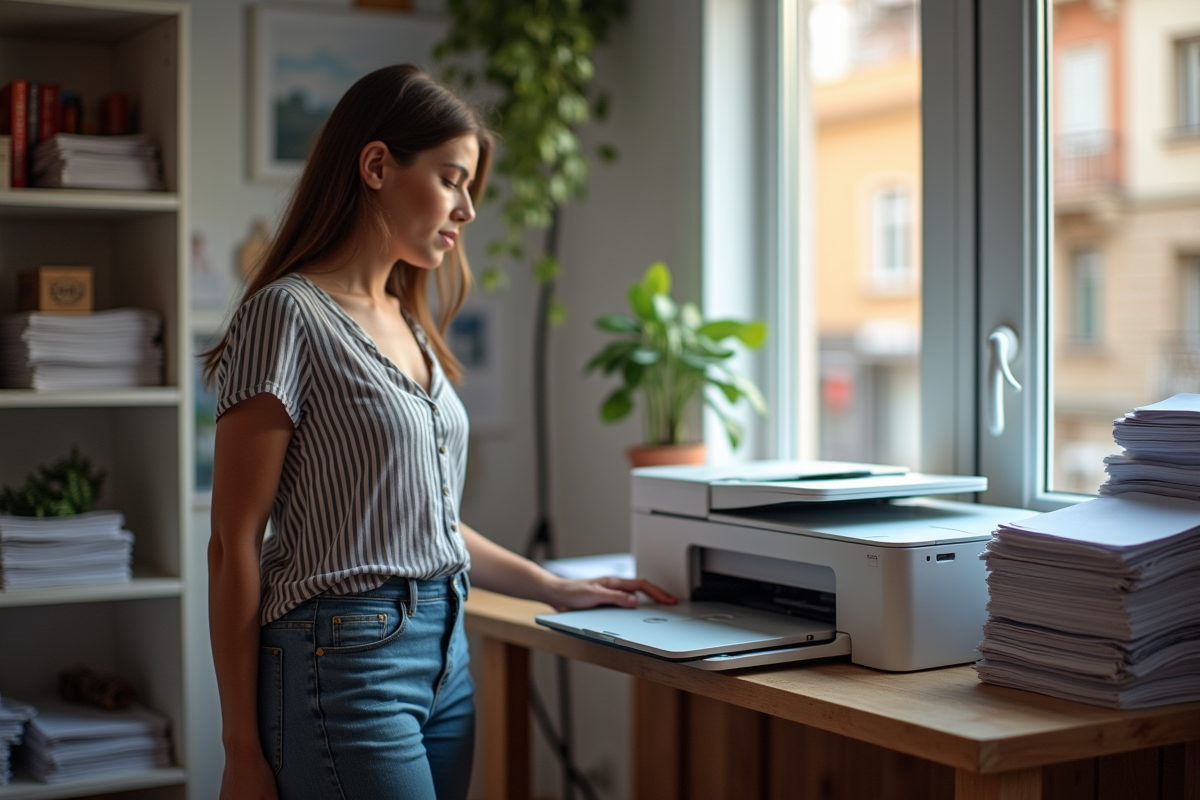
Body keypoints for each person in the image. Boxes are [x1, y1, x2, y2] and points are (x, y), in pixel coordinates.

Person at [204, 65, 675, 800]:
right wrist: (240, 748)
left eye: (470, 188)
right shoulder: (287, 314)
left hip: (447, 653)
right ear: (377, 166)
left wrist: (554, 587)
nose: (468, 210)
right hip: (343, 658)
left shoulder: (408, 320)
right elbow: (233, 543)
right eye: (453, 179)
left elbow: (430, 527)